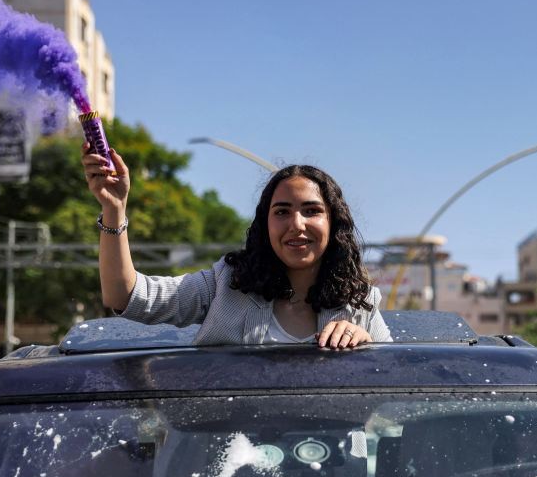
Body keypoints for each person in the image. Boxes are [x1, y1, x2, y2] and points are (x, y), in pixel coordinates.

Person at [83, 146, 391, 347]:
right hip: (225, 448)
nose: (297, 224)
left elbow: (394, 392)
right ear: (264, 224)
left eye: (312, 211)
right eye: (282, 211)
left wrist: (367, 348)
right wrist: (114, 209)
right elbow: (125, 296)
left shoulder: (360, 302)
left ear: (333, 223)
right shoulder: (226, 283)